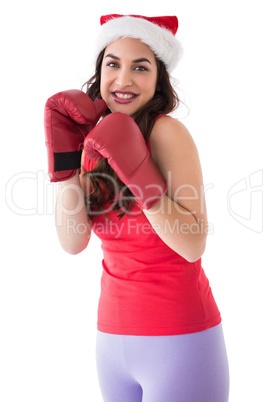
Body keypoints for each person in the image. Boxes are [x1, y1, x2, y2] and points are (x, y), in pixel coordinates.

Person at [44, 14, 229, 402]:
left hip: (179, 337)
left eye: (140, 67)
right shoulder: (94, 139)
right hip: (111, 339)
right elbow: (72, 242)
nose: (123, 79)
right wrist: (65, 168)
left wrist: (140, 173)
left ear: (158, 79)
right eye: (113, 64)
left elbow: (193, 245)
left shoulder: (166, 132)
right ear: (100, 71)